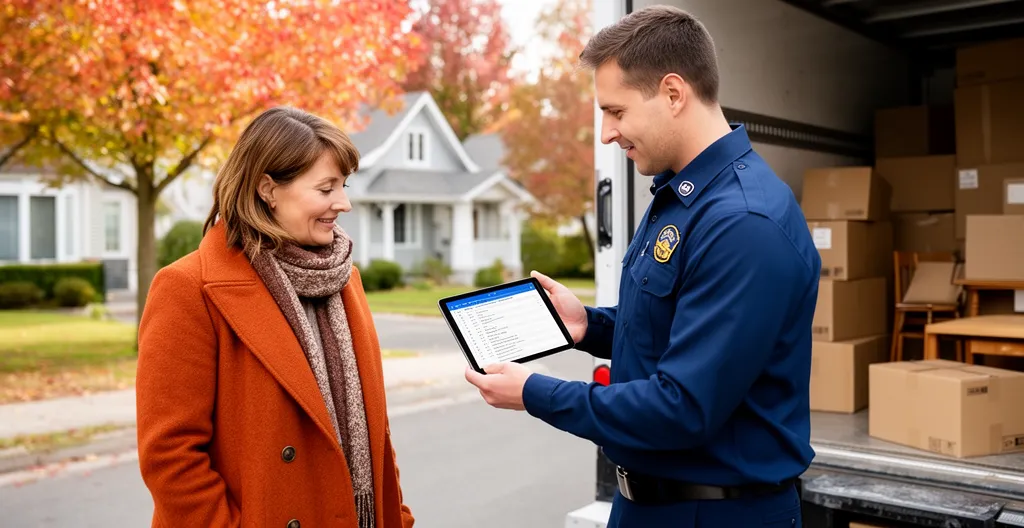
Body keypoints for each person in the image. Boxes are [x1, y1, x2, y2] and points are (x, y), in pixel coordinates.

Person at [464, 5, 820, 528]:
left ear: (673, 94)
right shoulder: (682, 198)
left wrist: (535, 392)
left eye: (616, 111)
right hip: (646, 505)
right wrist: (588, 326)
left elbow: (684, 407)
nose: (606, 134)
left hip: (716, 515)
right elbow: (673, 330)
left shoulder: (744, 222)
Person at [136, 106, 414, 528]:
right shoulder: (188, 287)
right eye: (326, 188)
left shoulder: (344, 279)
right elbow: (170, 456)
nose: (343, 203)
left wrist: (398, 517)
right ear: (268, 189)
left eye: (343, 186)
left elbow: (374, 432)